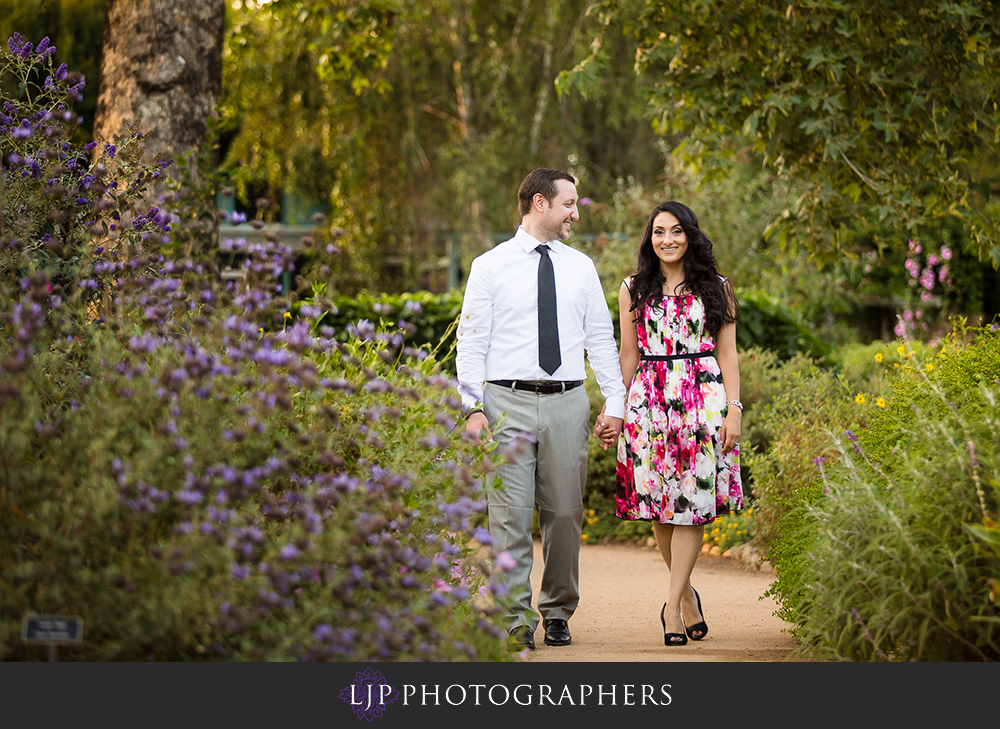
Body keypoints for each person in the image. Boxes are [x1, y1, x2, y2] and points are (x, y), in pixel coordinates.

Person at [456, 168, 626, 651]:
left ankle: (557, 612)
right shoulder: (488, 266)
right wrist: (471, 408)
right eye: (569, 203)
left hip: (567, 402)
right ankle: (514, 618)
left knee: (565, 514)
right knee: (508, 515)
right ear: (538, 204)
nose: (576, 212)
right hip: (504, 401)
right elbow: (470, 344)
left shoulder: (582, 267)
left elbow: (601, 340)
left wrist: (615, 401)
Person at [595, 201, 743, 646]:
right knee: (659, 506)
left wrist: (734, 407)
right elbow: (627, 355)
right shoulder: (632, 289)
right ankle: (687, 599)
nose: (668, 240)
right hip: (649, 404)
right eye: (659, 232)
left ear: (690, 235)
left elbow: (728, 354)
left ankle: (671, 609)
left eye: (676, 231)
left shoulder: (718, 288)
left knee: (692, 505)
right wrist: (614, 409)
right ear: (649, 239)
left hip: (703, 401)